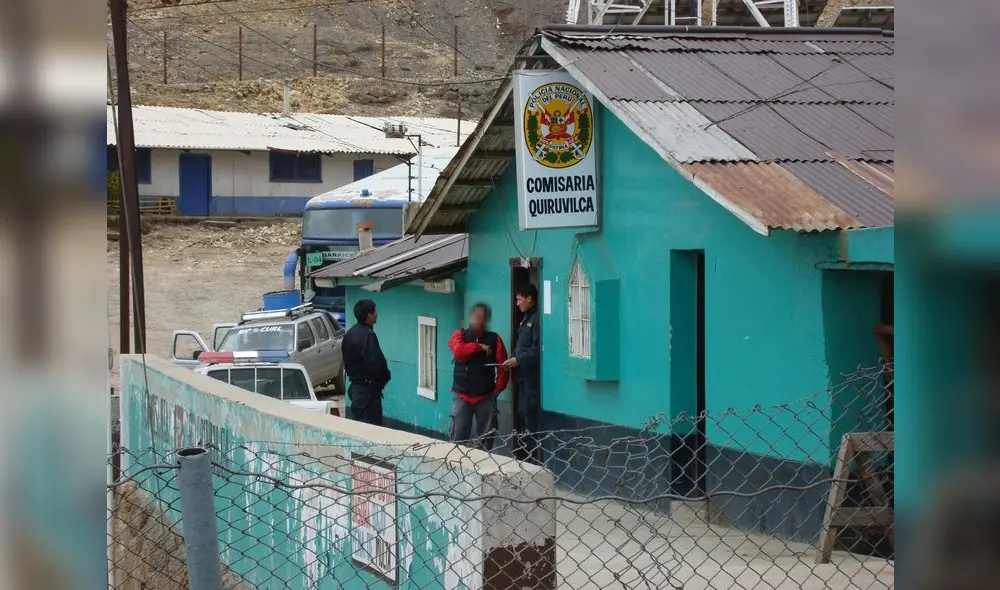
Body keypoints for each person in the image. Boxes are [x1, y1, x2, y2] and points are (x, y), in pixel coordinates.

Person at [448, 303, 509, 450]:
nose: (479, 321)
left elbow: (503, 367)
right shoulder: (460, 335)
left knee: (486, 442)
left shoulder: (495, 339)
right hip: (462, 396)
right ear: (471, 318)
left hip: (486, 397)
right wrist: (479, 347)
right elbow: (458, 351)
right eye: (477, 317)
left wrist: (497, 391)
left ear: (487, 320)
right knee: (457, 441)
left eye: (482, 318)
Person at [502, 283, 542, 464]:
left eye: (519, 299)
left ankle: (533, 460)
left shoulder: (537, 319)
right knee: (521, 415)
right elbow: (521, 347)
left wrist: (519, 360)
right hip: (521, 378)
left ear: (529, 299)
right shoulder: (525, 319)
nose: (517, 303)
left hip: (531, 379)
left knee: (530, 416)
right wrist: (512, 359)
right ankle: (524, 457)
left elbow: (537, 349)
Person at [341, 299, 391, 426]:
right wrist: (385, 377)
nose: (376, 314)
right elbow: (375, 363)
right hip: (369, 392)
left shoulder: (349, 335)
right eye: (374, 311)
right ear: (368, 315)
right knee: (372, 427)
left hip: (356, 390)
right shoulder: (368, 336)